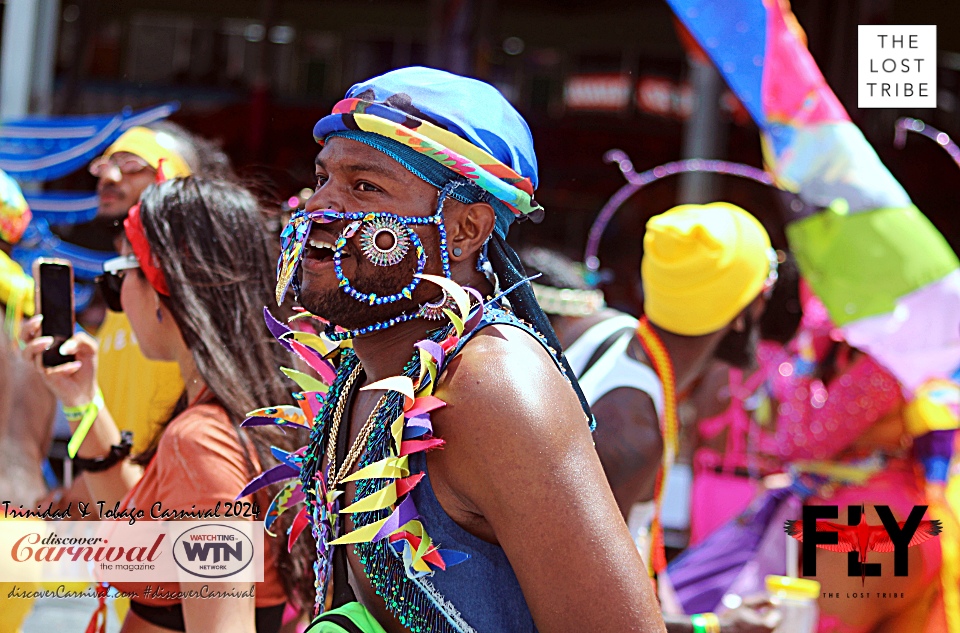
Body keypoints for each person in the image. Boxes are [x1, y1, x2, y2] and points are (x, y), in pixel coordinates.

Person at [266, 66, 666, 632]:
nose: (319, 207)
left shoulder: (490, 384)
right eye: (323, 178)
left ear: (464, 230)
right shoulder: (359, 374)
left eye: (365, 186)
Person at [23, 177, 310, 633]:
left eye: (119, 277)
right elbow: (145, 529)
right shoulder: (249, 414)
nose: (115, 301)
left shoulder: (200, 442)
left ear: (164, 285)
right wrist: (81, 400)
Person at [521, 245, 779, 633]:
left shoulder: (607, 328)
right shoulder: (631, 429)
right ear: (743, 314)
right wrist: (714, 627)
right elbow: (589, 611)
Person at [88, 121, 233, 454]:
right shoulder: (123, 288)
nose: (108, 178)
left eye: (131, 166)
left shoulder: (196, 291)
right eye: (105, 166)